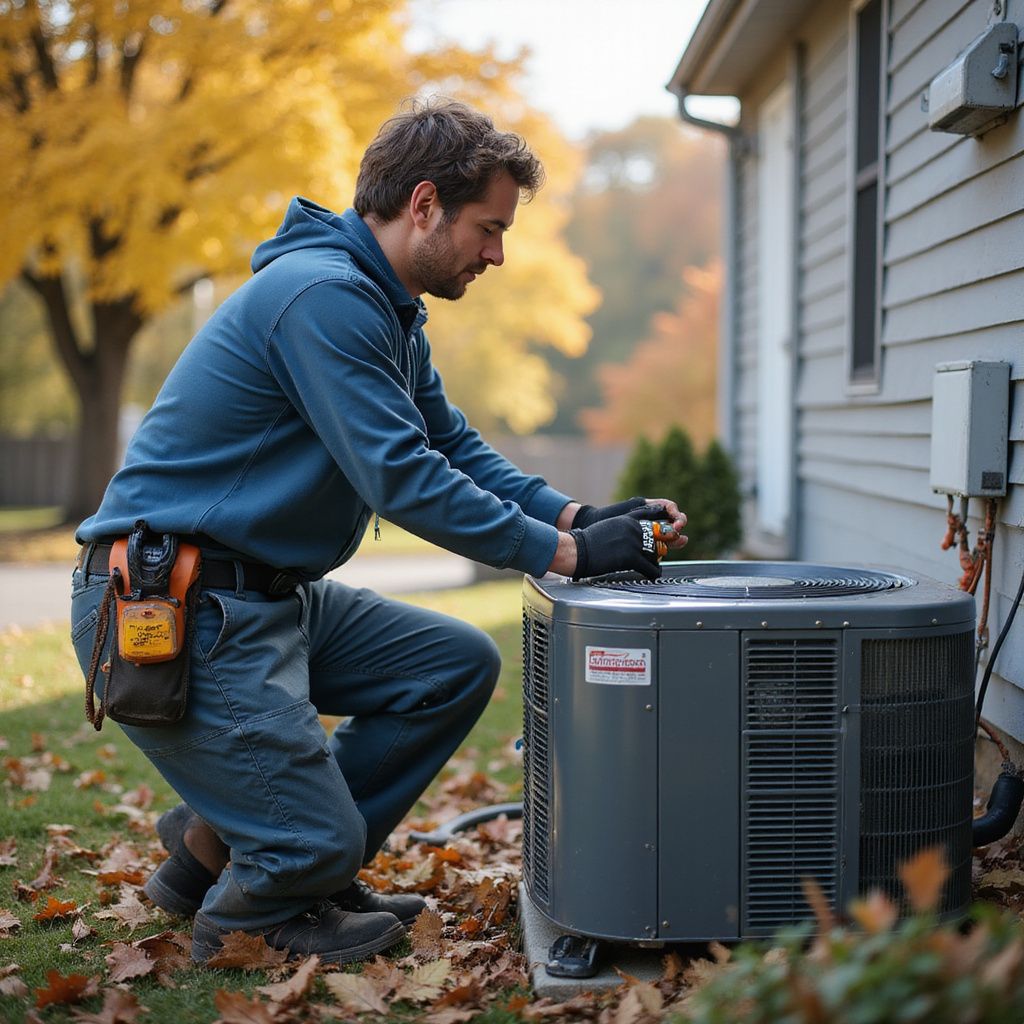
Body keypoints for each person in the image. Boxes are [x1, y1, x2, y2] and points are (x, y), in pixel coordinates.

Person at [70, 98, 688, 966]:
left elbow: (452, 446)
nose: (498, 254)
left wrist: (577, 516)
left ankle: (224, 856)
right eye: (488, 227)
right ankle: (264, 900)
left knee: (451, 665)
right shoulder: (321, 298)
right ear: (424, 204)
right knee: (317, 838)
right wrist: (572, 556)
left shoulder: (386, 310)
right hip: (173, 606)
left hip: (265, 597)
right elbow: (403, 477)